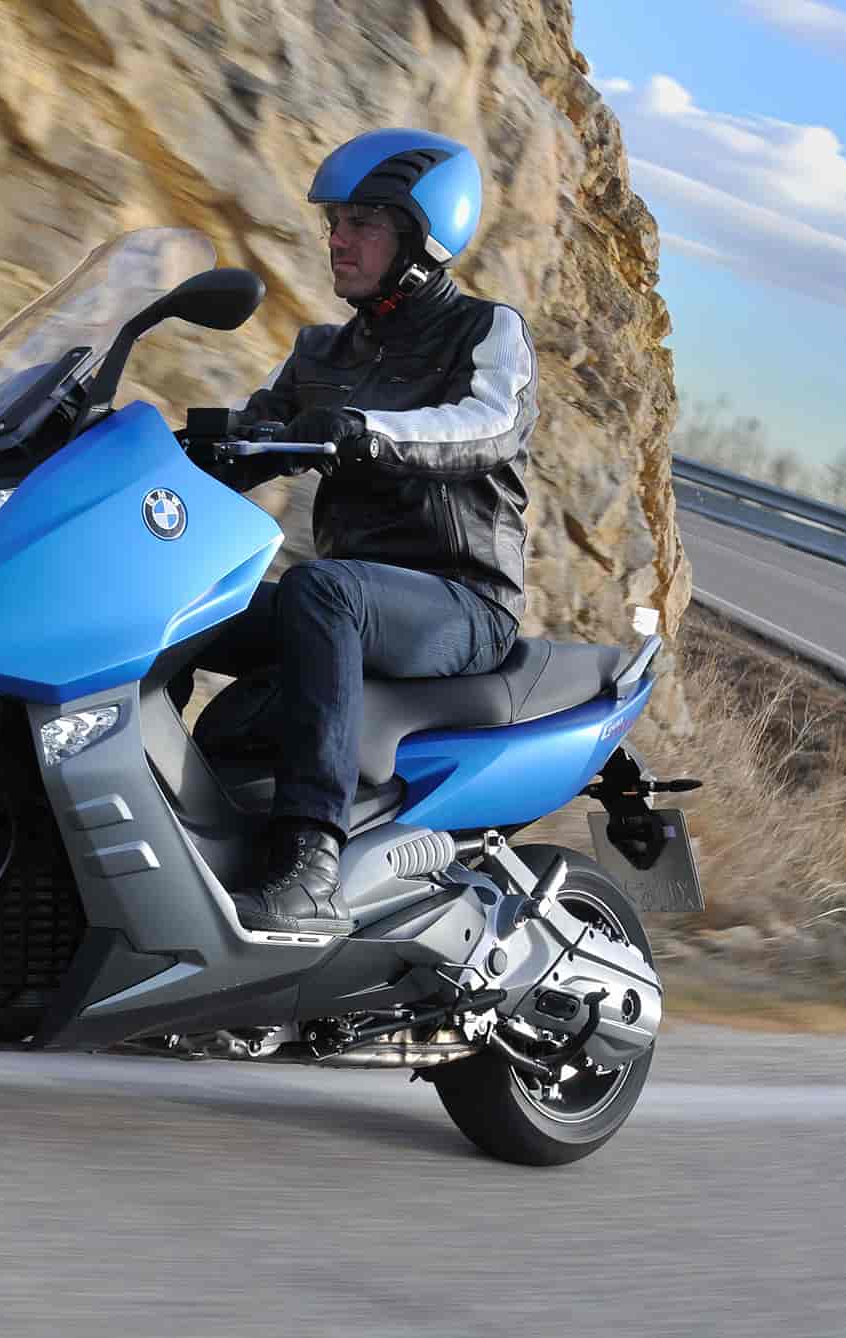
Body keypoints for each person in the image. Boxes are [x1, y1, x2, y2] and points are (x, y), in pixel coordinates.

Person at [192, 128, 538, 937]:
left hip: (461, 600)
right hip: (351, 605)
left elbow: (486, 428)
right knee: (179, 601)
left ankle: (312, 865)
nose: (339, 240)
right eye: (334, 223)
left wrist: (365, 431)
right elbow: (248, 436)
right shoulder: (321, 352)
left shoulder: (486, 332)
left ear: (422, 238)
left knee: (321, 589)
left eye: (364, 223)